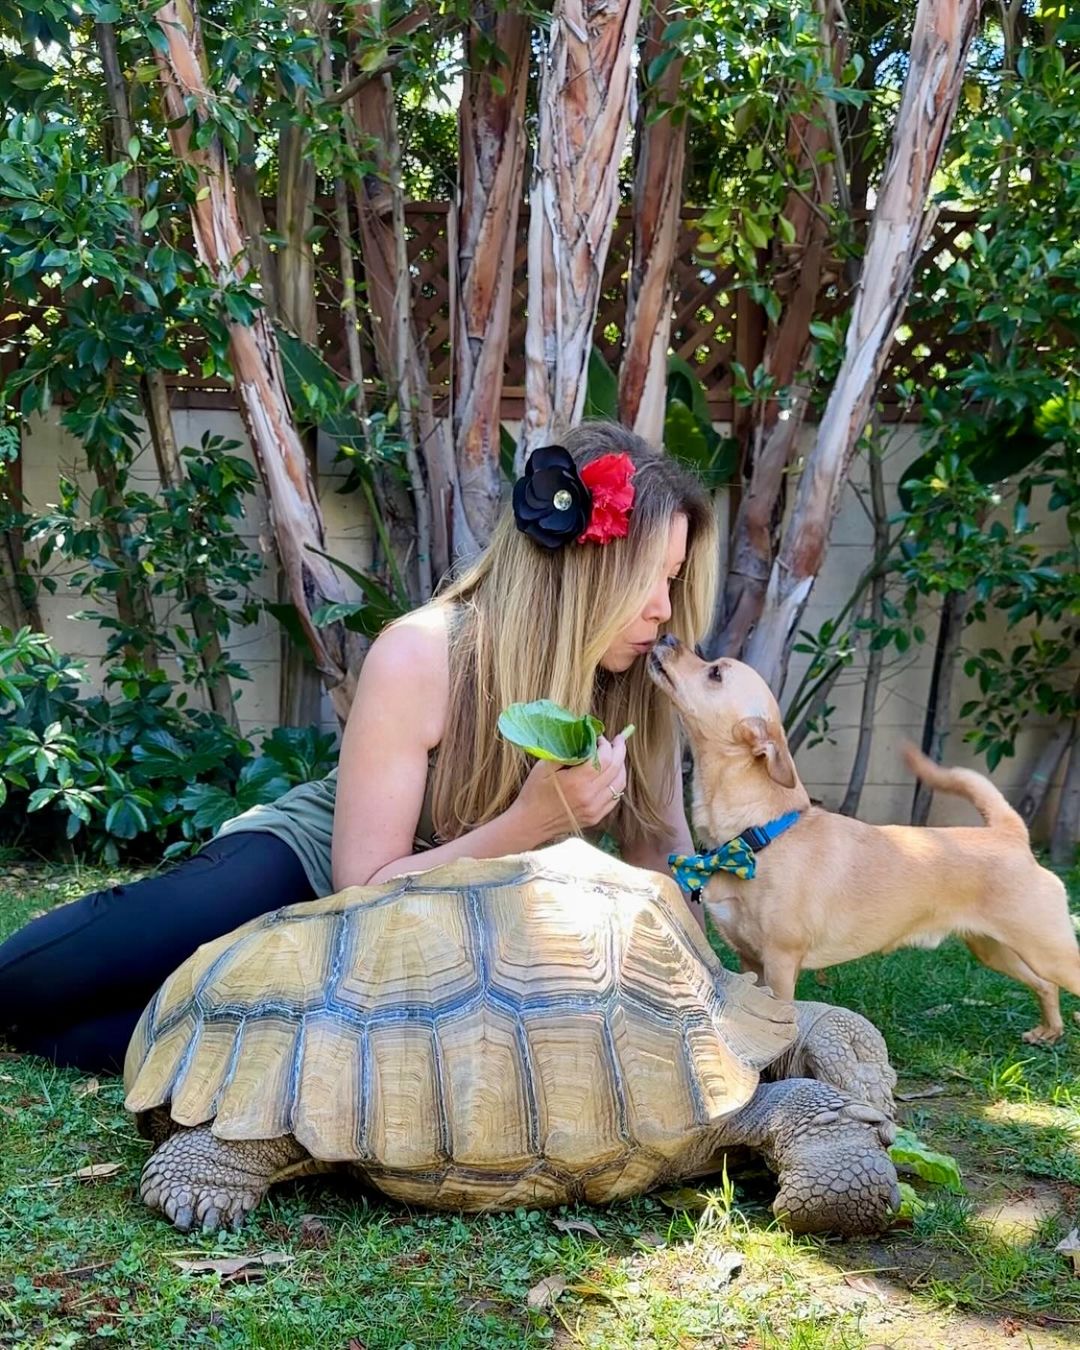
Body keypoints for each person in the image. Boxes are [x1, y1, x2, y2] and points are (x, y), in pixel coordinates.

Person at [0, 422, 718, 1074]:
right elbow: (362, 884)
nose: (662, 606)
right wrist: (527, 827)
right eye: (645, 577)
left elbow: (660, 852)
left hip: (437, 938)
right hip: (318, 870)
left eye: (672, 579)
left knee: (247, 1045)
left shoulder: (636, 686)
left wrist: (712, 998)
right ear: (579, 569)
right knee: (33, 985)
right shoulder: (425, 653)